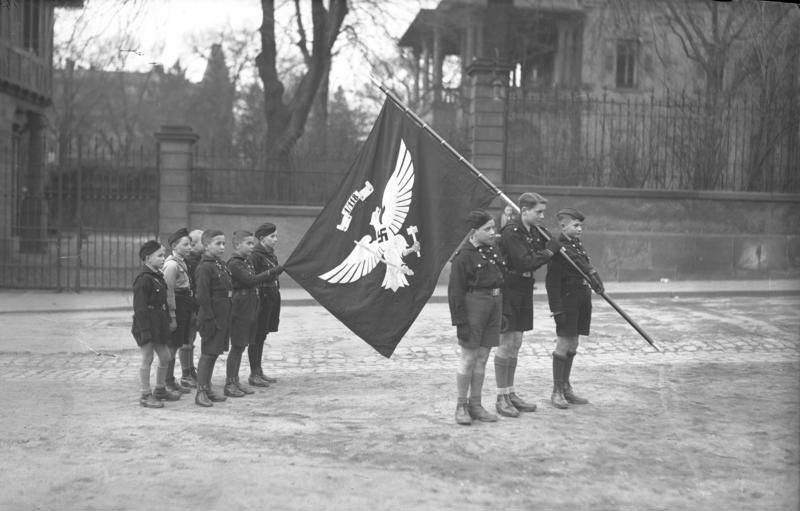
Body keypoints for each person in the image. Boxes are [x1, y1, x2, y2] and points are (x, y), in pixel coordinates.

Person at [495, 192, 562, 417]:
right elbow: (525, 261)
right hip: (509, 289)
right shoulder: (512, 232)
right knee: (507, 343)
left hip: (524, 289)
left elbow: (546, 250)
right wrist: (549, 251)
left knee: (517, 342)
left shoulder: (533, 231)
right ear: (524, 211)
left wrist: (552, 244)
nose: (543, 216)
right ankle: (501, 396)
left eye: (543, 212)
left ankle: (510, 392)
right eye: (538, 212)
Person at [448, 210, 505, 425]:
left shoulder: (492, 251)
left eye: (493, 227)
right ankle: (461, 405)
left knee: (482, 358)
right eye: (488, 229)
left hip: (494, 305)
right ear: (474, 232)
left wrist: (502, 311)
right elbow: (455, 293)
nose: (493, 232)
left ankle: (476, 404)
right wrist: (460, 322)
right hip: (474, 307)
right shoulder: (463, 257)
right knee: (469, 358)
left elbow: (500, 279)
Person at [545, 208, 604, 409]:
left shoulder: (575, 245)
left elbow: (582, 266)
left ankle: (566, 387)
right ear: (563, 226)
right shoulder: (558, 248)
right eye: (576, 225)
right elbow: (551, 283)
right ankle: (557, 391)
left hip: (581, 298)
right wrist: (556, 310)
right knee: (563, 343)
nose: (580, 229)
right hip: (567, 300)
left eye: (581, 226)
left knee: (574, 342)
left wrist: (593, 277)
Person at [225, 230, 277, 397]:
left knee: (242, 345)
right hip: (240, 308)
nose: (252, 247)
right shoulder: (234, 263)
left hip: (248, 306)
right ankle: (230, 383)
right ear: (237, 244)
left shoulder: (245, 261)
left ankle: (236, 381)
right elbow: (249, 280)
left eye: (252, 243)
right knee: (237, 346)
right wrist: (273, 272)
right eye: (248, 243)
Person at [131, 240, 181, 407]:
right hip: (146, 324)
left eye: (163, 255)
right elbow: (139, 309)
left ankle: (160, 389)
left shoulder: (158, 276)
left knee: (166, 356)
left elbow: (164, 302)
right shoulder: (143, 279)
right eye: (159, 255)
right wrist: (144, 330)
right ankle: (145, 395)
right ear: (147, 258)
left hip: (159, 323)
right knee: (148, 357)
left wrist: (168, 320)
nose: (163, 258)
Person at [193, 229, 233, 407]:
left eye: (224, 243)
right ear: (206, 245)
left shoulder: (220, 264)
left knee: (215, 352)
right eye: (218, 243)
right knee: (208, 353)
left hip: (222, 316)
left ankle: (207, 388)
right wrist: (211, 319)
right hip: (211, 317)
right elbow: (202, 296)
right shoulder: (204, 267)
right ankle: (200, 391)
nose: (222, 247)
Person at [248, 222, 284, 387]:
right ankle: (254, 373)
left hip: (270, 297)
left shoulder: (270, 254)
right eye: (272, 236)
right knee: (256, 336)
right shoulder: (255, 255)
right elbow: (252, 278)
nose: (276, 239)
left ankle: (258, 370)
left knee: (262, 336)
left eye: (276, 236)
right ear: (261, 238)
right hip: (261, 299)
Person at [162, 227, 193, 395]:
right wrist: (172, 316)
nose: (189, 247)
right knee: (172, 347)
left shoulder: (181, 261)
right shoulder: (172, 265)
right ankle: (167, 382)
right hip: (177, 306)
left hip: (184, 305)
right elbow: (169, 292)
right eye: (186, 244)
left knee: (177, 344)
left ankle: (171, 380)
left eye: (190, 244)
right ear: (174, 245)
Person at [179, 228, 205, 387]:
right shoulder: (190, 263)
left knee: (191, 341)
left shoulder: (198, 261)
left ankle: (190, 370)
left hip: (195, 306)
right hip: (189, 307)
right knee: (186, 342)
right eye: (203, 241)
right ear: (194, 244)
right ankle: (186, 374)